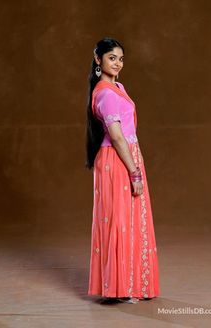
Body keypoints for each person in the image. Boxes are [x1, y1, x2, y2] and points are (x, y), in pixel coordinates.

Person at [85, 37, 160, 304]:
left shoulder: (117, 87)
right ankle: (119, 286)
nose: (117, 63)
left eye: (120, 59)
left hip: (127, 155)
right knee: (118, 220)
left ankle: (130, 283)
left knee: (130, 219)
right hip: (117, 159)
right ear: (98, 60)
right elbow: (116, 136)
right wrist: (134, 172)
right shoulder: (105, 93)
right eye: (111, 58)